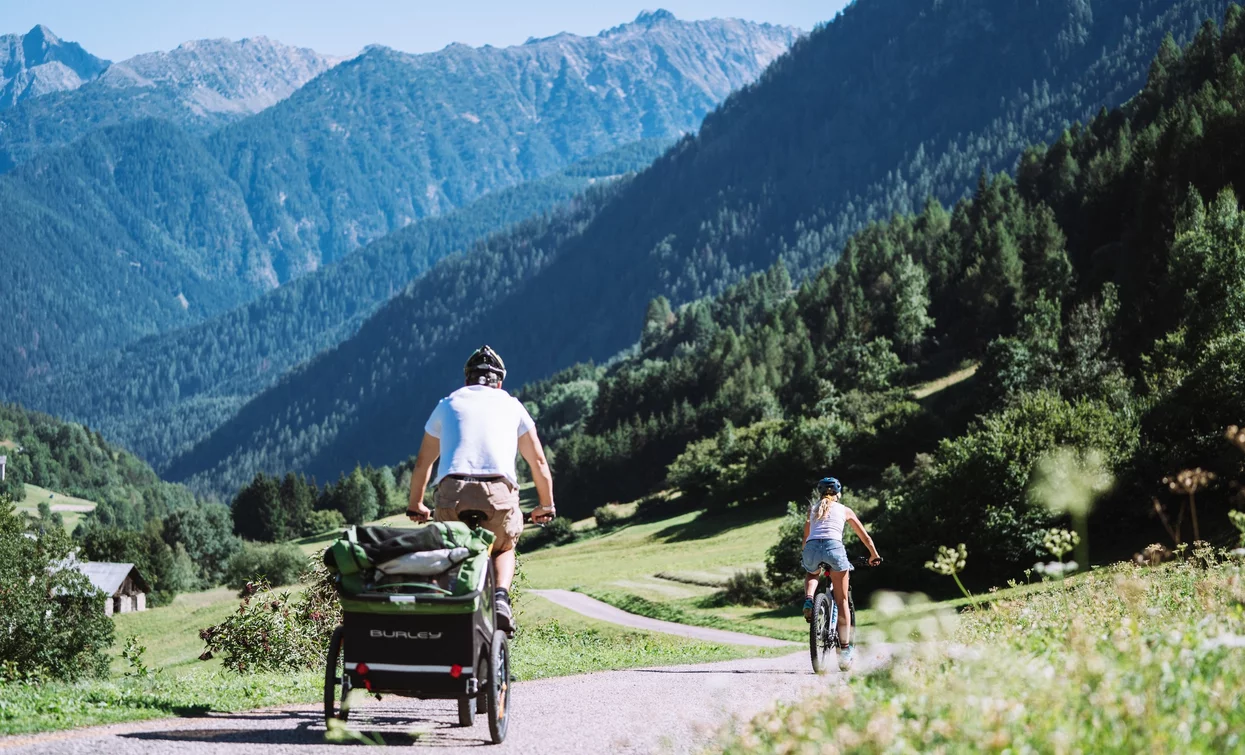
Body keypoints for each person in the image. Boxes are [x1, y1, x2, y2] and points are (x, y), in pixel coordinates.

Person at [407, 345, 556, 633]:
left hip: (453, 492)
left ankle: (447, 605)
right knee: (503, 547)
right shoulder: (512, 405)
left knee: (449, 548)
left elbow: (423, 462)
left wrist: (416, 505)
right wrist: (546, 506)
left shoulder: (447, 404)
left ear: (467, 380)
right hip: (498, 494)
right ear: (500, 383)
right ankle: (500, 598)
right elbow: (538, 461)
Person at [801, 476, 881, 671]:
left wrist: (807, 556)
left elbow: (806, 537)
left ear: (820, 493)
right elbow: (865, 537)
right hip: (834, 549)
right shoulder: (845, 510)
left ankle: (809, 599)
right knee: (842, 600)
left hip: (811, 548)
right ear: (838, 493)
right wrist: (874, 555)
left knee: (812, 574)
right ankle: (844, 651)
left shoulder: (812, 509)